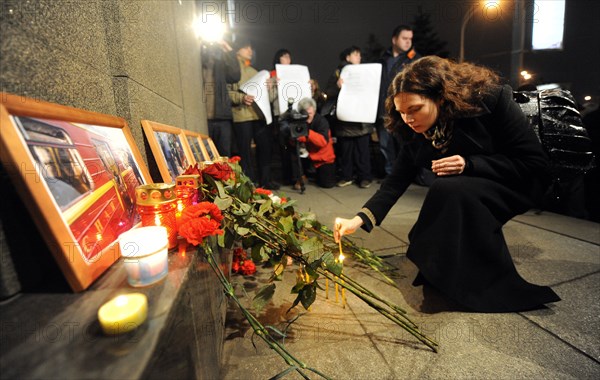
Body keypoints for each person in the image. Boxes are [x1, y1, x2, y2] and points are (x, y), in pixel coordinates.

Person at [334, 56, 561, 312]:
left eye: (415, 109)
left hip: (515, 179)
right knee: (448, 189)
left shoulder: (489, 101)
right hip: (468, 185)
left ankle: (484, 285)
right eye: (401, 112)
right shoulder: (414, 131)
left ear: (440, 98)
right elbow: (394, 182)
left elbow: (533, 162)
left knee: (450, 188)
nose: (408, 119)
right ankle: (443, 272)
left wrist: (470, 164)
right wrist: (358, 220)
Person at [228, 39, 279, 190]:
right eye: (246, 47)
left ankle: (265, 181)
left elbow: (267, 98)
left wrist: (271, 88)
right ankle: (249, 184)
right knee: (245, 151)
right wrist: (241, 98)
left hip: (259, 116)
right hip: (242, 116)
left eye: (251, 47)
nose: (250, 50)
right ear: (237, 50)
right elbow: (227, 92)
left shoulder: (256, 71)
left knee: (265, 148)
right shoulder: (231, 68)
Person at [325, 46, 373, 189]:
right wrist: (337, 86)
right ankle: (347, 176)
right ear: (347, 57)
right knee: (346, 151)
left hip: (361, 119)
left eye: (359, 54)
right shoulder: (338, 73)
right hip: (345, 121)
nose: (359, 57)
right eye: (356, 54)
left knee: (362, 151)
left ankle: (364, 177)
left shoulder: (365, 72)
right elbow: (328, 92)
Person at [377, 25, 421, 178]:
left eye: (410, 39)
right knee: (384, 145)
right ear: (394, 39)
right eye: (404, 38)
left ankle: (406, 176)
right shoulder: (383, 60)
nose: (408, 42)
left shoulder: (415, 59)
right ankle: (391, 176)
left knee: (404, 144)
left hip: (404, 112)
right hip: (383, 111)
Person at [202, 39, 241, 157]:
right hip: (202, 118)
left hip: (222, 118)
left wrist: (228, 50)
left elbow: (235, 76)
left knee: (224, 157)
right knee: (204, 156)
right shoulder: (197, 60)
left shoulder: (221, 63)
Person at [286, 97, 336, 190]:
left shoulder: (321, 121)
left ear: (314, 111)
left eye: (310, 113)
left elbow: (323, 142)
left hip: (323, 158)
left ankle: (311, 175)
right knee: (292, 152)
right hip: (308, 156)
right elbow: (293, 142)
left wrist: (308, 132)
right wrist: (295, 136)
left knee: (327, 184)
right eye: (305, 114)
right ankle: (300, 177)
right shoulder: (299, 122)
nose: (307, 116)